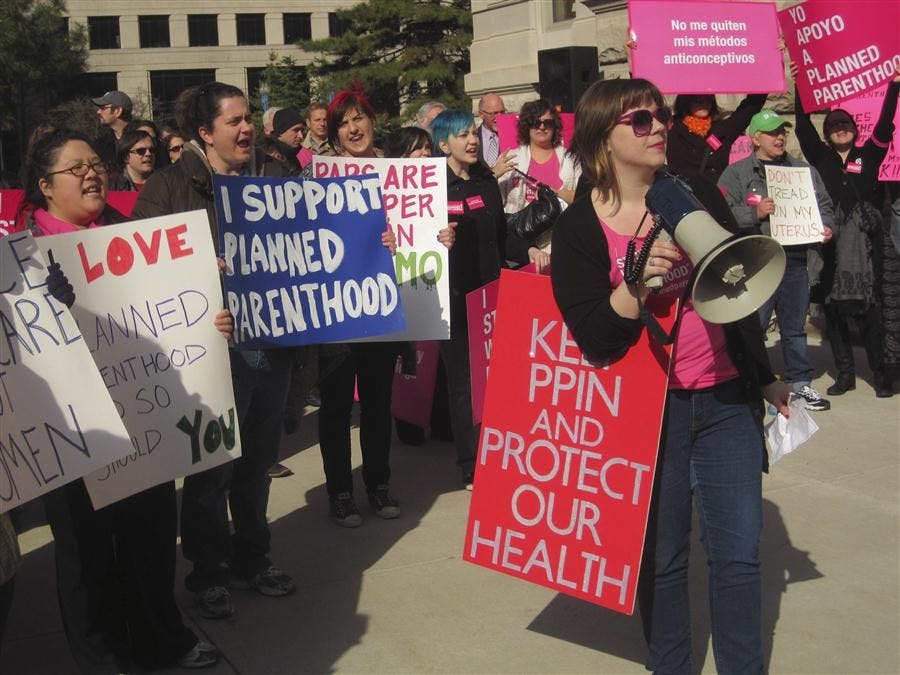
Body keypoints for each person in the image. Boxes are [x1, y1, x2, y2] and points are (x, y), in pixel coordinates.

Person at [551, 77, 792, 675]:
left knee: (738, 557)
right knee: (662, 561)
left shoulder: (695, 193)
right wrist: (635, 288)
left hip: (726, 400)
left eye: (658, 115)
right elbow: (596, 339)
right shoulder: (580, 229)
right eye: (641, 120)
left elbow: (739, 296)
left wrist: (764, 378)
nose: (659, 126)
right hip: (646, 416)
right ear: (604, 139)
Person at [19, 128, 222, 671]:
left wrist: (211, 320)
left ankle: (162, 636)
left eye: (95, 164)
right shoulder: (19, 259)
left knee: (152, 535)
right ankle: (103, 656)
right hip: (70, 430)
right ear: (44, 185)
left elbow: (175, 311)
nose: (92, 173)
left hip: (143, 416)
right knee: (85, 553)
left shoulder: (133, 236)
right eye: (75, 168)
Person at [133, 82, 296, 619]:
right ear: (205, 132)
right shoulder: (168, 188)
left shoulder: (276, 178)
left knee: (256, 460)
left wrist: (371, 241)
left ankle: (254, 557)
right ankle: (208, 570)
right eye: (234, 121)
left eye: (249, 118)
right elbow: (144, 273)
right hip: (211, 348)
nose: (247, 128)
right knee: (211, 467)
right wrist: (203, 275)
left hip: (271, 342)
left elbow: (316, 244)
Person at [313, 86, 405, 527]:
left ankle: (378, 483)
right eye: (343, 123)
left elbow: (420, 228)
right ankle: (341, 491)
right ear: (334, 134)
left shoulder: (401, 175)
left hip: (382, 308)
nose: (353, 128)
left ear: (372, 121)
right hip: (335, 311)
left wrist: (436, 237)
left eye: (359, 118)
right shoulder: (320, 177)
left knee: (377, 403)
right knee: (334, 407)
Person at [430, 109, 530, 488]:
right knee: (463, 383)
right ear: (443, 145)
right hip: (453, 297)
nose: (471, 140)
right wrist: (439, 242)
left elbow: (502, 237)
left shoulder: (487, 183)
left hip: (492, 293)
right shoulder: (432, 188)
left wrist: (530, 250)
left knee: (498, 377)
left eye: (473, 133)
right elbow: (416, 242)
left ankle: (499, 449)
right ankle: (470, 462)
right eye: (461, 136)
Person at [792, 62, 900, 398]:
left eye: (845, 123)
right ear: (827, 134)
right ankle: (846, 375)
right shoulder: (820, 158)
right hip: (830, 243)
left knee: (871, 312)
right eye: (834, 125)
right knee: (834, 310)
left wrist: (894, 85)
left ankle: (881, 376)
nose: (840, 128)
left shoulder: (869, 154)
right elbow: (801, 126)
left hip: (868, 247)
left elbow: (885, 125)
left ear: (855, 129)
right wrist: (799, 83)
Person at [718, 109, 835, 411]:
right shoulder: (737, 173)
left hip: (795, 260)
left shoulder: (803, 171)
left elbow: (824, 205)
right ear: (755, 138)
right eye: (772, 133)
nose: (779, 137)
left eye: (782, 131)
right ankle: (753, 382)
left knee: (794, 327)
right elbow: (721, 212)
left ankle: (800, 384)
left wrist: (826, 227)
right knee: (753, 327)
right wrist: (753, 214)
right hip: (757, 263)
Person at [498, 98, 581, 259]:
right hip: (522, 245)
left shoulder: (571, 159)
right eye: (535, 122)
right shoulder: (510, 158)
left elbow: (584, 199)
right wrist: (494, 174)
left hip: (563, 243)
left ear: (554, 126)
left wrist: (556, 194)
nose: (542, 127)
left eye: (547, 123)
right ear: (526, 126)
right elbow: (496, 203)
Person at [476, 93, 516, 178]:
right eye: (493, 113)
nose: (499, 117)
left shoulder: (514, 135)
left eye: (502, 112)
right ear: (481, 114)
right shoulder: (473, 138)